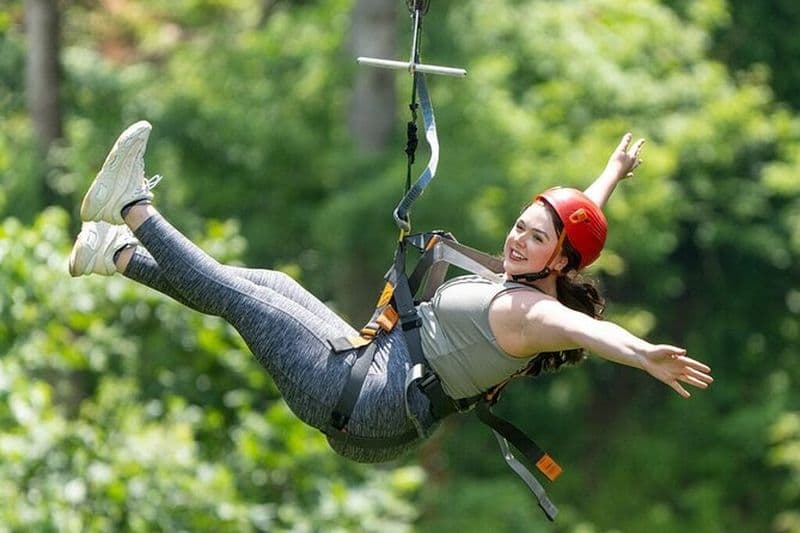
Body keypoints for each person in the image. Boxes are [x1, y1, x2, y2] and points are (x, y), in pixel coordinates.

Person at [69, 121, 713, 463]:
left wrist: (641, 353)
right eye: (520, 223)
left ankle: (131, 205)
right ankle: (117, 255)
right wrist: (610, 175)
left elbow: (589, 331)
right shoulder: (526, 277)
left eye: (533, 236)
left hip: (359, 396)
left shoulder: (532, 312)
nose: (517, 238)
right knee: (268, 285)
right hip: (371, 391)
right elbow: (576, 222)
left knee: (243, 300)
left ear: (560, 262)